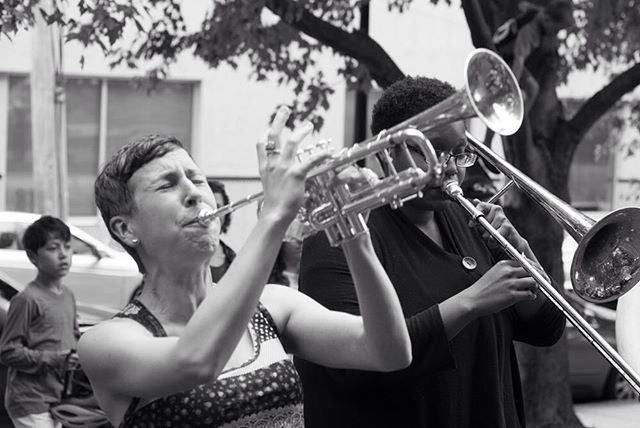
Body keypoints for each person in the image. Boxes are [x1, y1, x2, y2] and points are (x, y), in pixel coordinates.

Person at [78, 106, 412, 428]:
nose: (194, 193)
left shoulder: (274, 305)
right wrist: (275, 216)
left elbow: (389, 353)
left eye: (197, 179)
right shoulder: (105, 342)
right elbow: (196, 361)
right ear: (125, 229)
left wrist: (352, 228)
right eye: (167, 185)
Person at [295, 76, 566, 428]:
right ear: (385, 153)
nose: (450, 168)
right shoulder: (340, 235)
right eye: (431, 151)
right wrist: (471, 301)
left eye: (458, 152)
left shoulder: (465, 218)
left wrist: (522, 261)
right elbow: (351, 369)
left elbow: (547, 330)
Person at [0, 215, 79, 428]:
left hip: (57, 397)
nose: (63, 255)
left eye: (68, 247)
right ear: (33, 257)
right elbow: (7, 351)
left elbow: (73, 338)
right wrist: (55, 360)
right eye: (53, 248)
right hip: (29, 400)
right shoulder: (27, 300)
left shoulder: (68, 295)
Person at [484, 0, 575, 146]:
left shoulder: (538, 14)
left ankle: (518, 122)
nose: (555, 33)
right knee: (505, 97)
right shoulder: (529, 31)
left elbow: (523, 5)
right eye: (556, 29)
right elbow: (519, 59)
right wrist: (511, 86)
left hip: (509, 58)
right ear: (548, 19)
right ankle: (490, 139)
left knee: (532, 88)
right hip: (500, 61)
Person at [206, 179, 237, 282]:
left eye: (218, 208)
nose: (213, 213)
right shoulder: (182, 255)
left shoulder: (233, 259)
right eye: (209, 207)